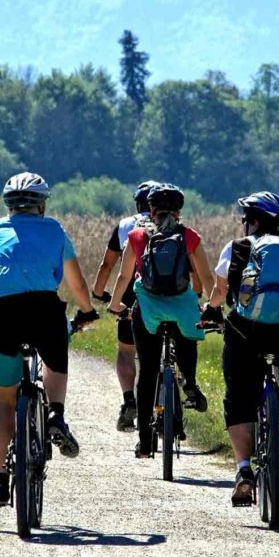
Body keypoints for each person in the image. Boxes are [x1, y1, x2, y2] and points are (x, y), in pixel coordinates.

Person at [0, 171, 99, 506]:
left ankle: (0, 482)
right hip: (44, 312)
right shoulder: (55, 231)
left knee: (5, 399)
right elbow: (78, 284)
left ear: (9, 206)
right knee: (55, 356)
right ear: (42, 206)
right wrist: (87, 311)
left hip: (3, 316)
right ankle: (55, 413)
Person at [200, 191, 279, 506]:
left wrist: (210, 311)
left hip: (246, 332)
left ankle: (243, 471)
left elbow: (220, 289)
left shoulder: (237, 248)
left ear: (252, 220)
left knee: (238, 396)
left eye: (245, 218)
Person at [108, 183, 215, 458]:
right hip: (182, 307)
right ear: (179, 211)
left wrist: (115, 303)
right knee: (188, 338)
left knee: (147, 374)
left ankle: (145, 442)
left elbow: (123, 277)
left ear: (150, 209)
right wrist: (211, 306)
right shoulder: (190, 236)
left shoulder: (136, 235)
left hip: (148, 309)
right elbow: (206, 278)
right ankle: (189, 382)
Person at [91, 181, 157, 432]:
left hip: (131, 293)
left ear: (138, 203)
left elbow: (107, 265)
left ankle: (129, 399)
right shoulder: (173, 225)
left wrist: (99, 292)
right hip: (166, 295)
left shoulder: (125, 226)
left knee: (126, 350)